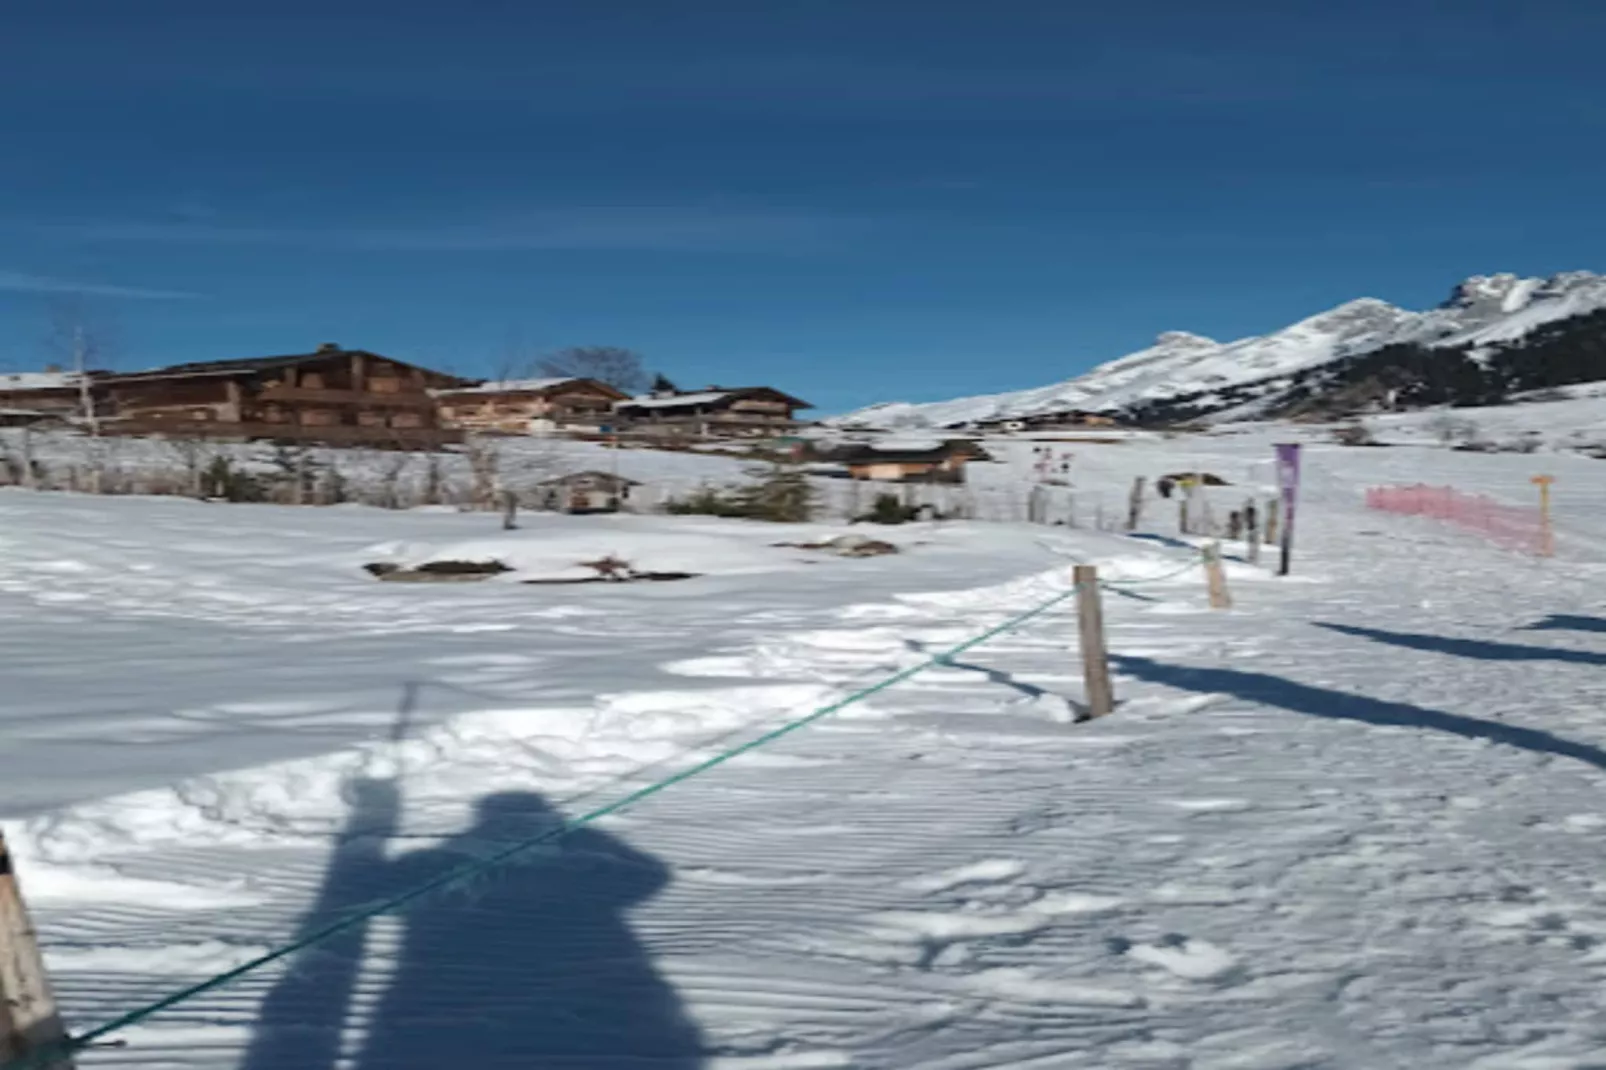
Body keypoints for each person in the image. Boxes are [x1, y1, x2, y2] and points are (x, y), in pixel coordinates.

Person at [242, 779, 703, 1070]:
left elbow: (364, 890)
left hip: (435, 1028)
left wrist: (372, 820)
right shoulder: (582, 865)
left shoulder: (437, 861)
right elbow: (647, 877)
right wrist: (572, 835)